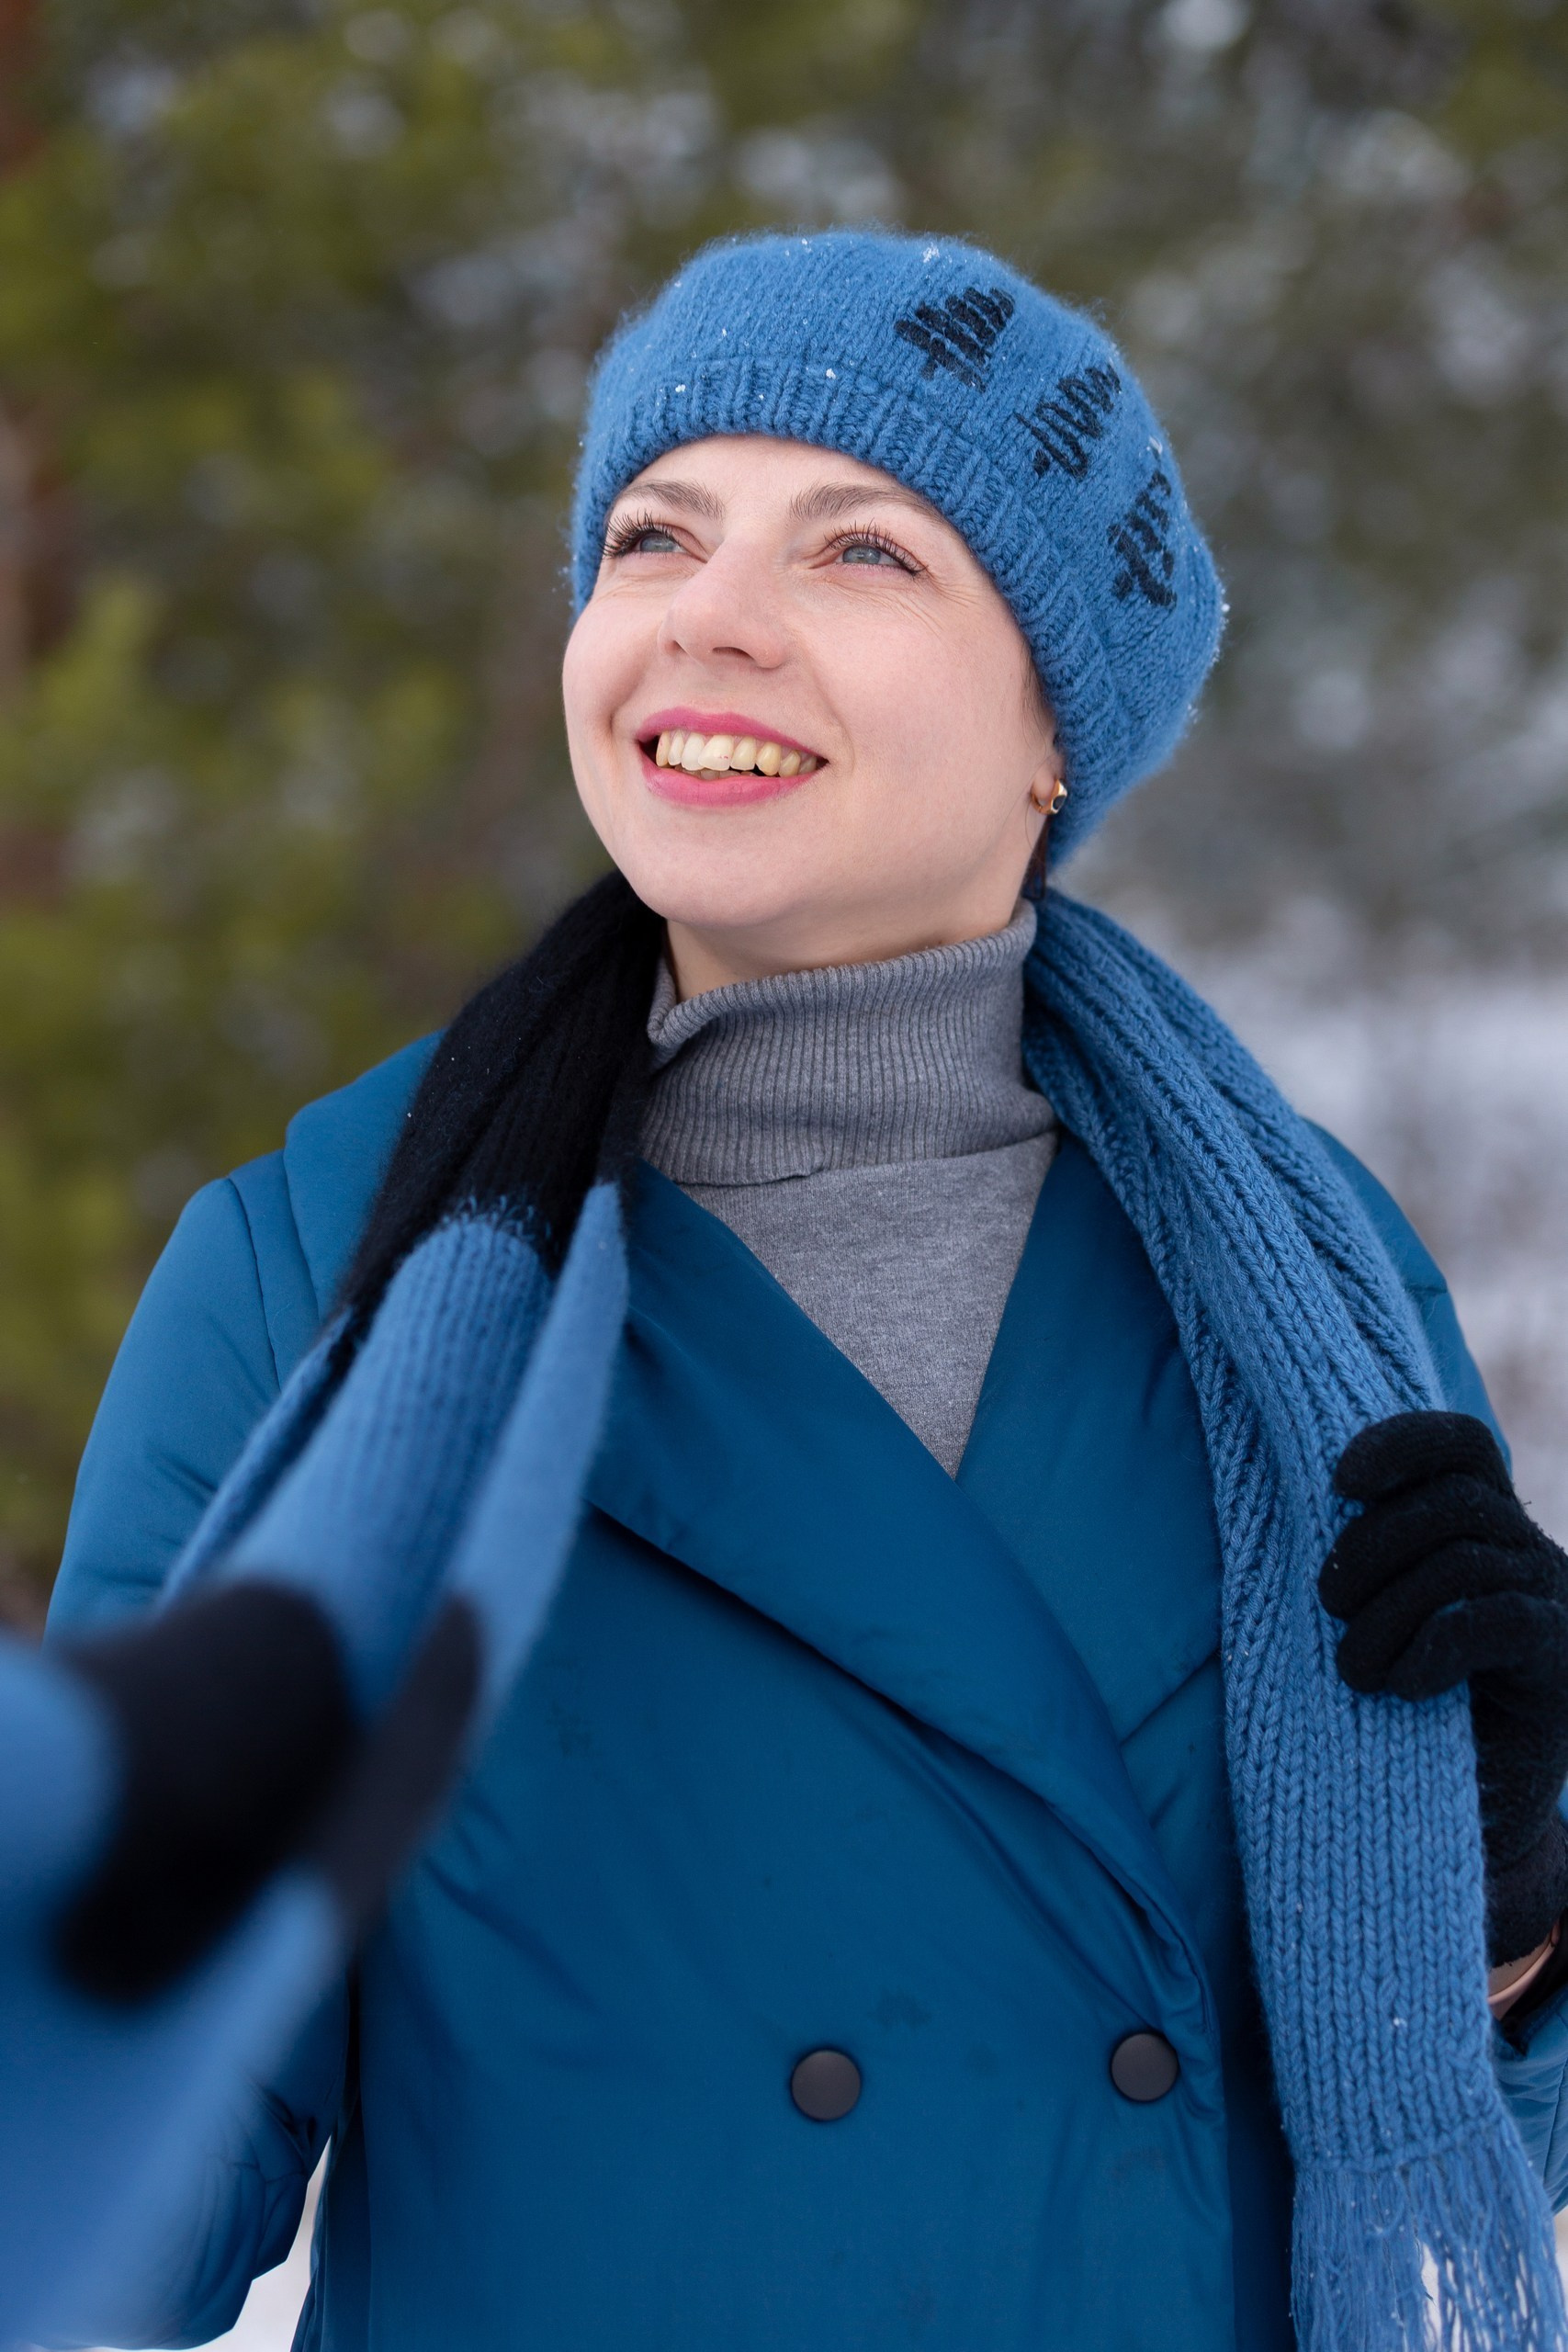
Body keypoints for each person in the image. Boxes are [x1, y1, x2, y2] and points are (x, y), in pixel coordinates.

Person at [44, 230, 1568, 2352]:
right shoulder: (323, 1271)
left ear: (1054, 730)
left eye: (861, 549)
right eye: (652, 536)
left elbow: (1439, 2149)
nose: (710, 616)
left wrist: (1503, 1902)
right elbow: (104, 2202)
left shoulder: (1305, 1285)